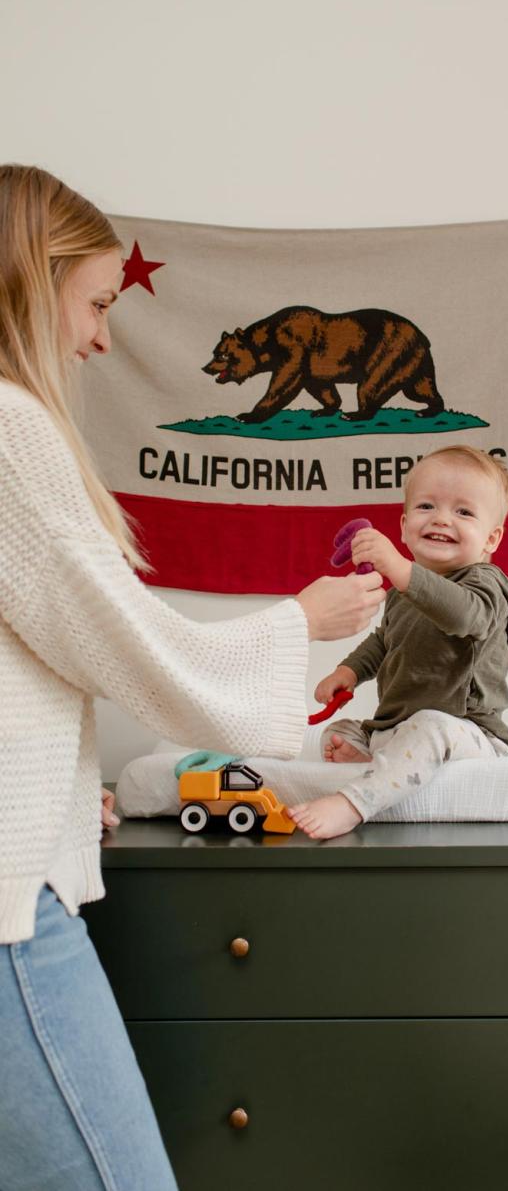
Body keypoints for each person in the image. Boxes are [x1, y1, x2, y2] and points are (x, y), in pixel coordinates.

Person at [0, 163, 385, 1191]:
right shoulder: (9, 428)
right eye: (94, 303)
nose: (101, 338)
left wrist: (64, 796)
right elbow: (127, 644)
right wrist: (300, 620)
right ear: (30, 282)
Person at [288, 445, 508, 840]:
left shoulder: (484, 584)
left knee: (431, 725)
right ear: (403, 526)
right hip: (398, 730)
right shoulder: (403, 594)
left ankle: (353, 804)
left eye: (463, 512)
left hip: (466, 733)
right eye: (426, 506)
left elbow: (462, 615)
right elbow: (385, 640)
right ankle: (376, 765)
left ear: (491, 539)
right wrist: (347, 670)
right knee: (338, 734)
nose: (441, 519)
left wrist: (399, 568)